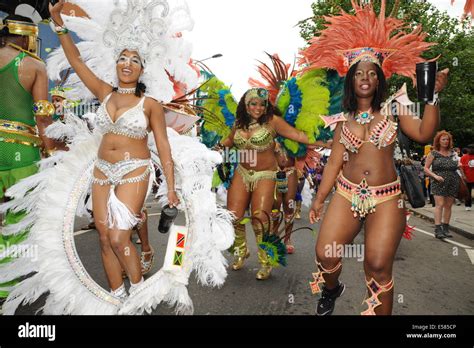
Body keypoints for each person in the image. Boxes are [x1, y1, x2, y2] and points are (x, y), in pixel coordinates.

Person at [302, 1, 449, 315]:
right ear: (351, 80)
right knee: (326, 255)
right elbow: (334, 162)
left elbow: (424, 133)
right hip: (346, 192)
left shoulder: (397, 106)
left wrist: (432, 97)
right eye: (359, 73)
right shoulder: (342, 119)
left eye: (372, 72)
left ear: (379, 79)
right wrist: (319, 199)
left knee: (378, 265)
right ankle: (332, 289)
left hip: (386, 197)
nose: (365, 77)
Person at [221, 87, 330, 280]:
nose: (258, 107)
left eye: (262, 104)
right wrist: (215, 148)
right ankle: (241, 251)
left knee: (259, 219)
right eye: (254, 103)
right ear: (245, 106)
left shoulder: (272, 122)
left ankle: (265, 261)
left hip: (266, 174)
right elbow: (229, 140)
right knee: (234, 216)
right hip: (242, 172)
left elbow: (298, 136)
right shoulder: (239, 123)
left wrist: (326, 142)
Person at [0, 13, 62, 299]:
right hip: (21, 152)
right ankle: (7, 285)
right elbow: (43, 119)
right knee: (19, 219)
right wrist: (50, 153)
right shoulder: (34, 66)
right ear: (26, 35)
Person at [424, 131, 460, 239]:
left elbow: (457, 165)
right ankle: (438, 228)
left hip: (453, 181)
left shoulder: (453, 153)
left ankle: (446, 228)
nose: (445, 141)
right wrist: (435, 176)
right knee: (439, 205)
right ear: (438, 141)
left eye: (447, 139)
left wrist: (459, 166)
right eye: (443, 139)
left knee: (448, 206)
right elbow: (425, 168)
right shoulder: (433, 153)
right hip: (438, 181)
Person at [460, 145, 474, 210]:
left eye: (472, 149)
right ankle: (467, 205)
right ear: (467, 149)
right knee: (468, 192)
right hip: (467, 178)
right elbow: (461, 168)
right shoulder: (464, 157)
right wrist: (463, 176)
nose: (471, 150)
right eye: (470, 149)